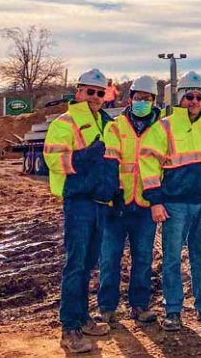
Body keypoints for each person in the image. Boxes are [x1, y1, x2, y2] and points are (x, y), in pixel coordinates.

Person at [140, 71, 201, 331]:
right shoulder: (164, 128)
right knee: (172, 258)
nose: (193, 101)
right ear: (180, 98)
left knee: (200, 255)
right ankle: (173, 309)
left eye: (198, 97)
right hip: (175, 205)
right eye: (189, 96)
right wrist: (155, 201)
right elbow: (148, 165)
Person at [43, 68, 119, 353]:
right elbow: (54, 161)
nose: (95, 97)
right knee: (75, 265)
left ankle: (83, 317)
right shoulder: (66, 122)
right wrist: (86, 155)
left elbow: (112, 161)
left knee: (88, 264)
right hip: (78, 201)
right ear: (79, 92)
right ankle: (69, 328)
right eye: (90, 92)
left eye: (100, 93)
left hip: (100, 202)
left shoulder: (106, 123)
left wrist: (115, 192)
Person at [98, 75, 161, 325]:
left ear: (154, 100)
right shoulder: (115, 126)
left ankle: (139, 306)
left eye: (147, 99)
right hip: (118, 205)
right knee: (110, 258)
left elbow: (162, 165)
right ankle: (106, 307)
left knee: (143, 258)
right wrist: (113, 196)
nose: (142, 102)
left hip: (145, 205)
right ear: (130, 98)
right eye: (138, 98)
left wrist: (159, 198)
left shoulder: (161, 129)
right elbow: (110, 164)